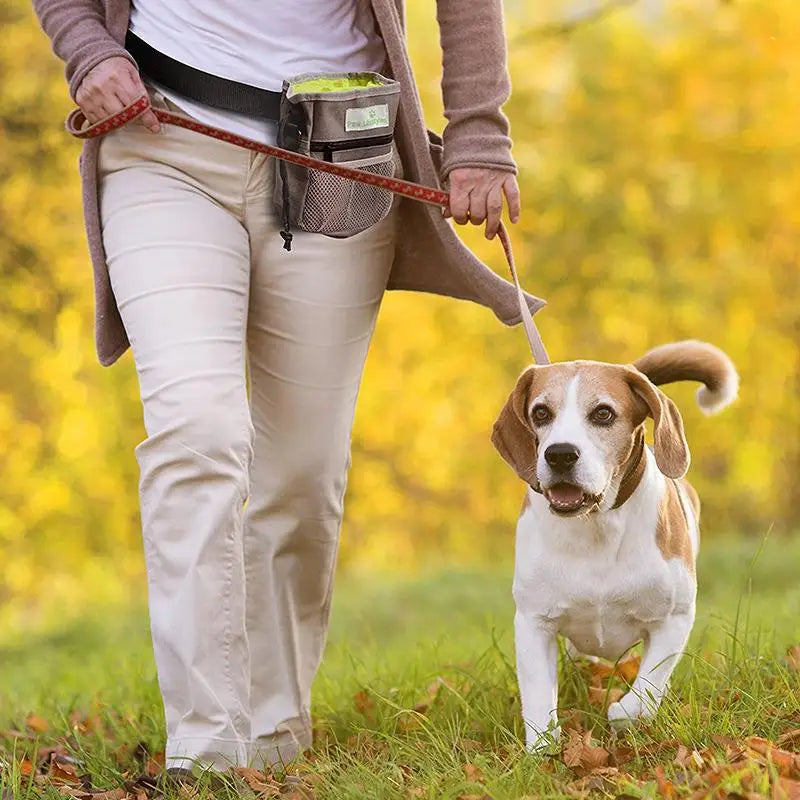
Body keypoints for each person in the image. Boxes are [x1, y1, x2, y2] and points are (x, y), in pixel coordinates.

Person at [32, 0, 543, 775]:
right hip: (161, 139)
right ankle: (204, 750)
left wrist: (479, 134)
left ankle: (271, 740)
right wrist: (88, 48)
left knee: (303, 474)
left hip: (340, 155)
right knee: (195, 431)